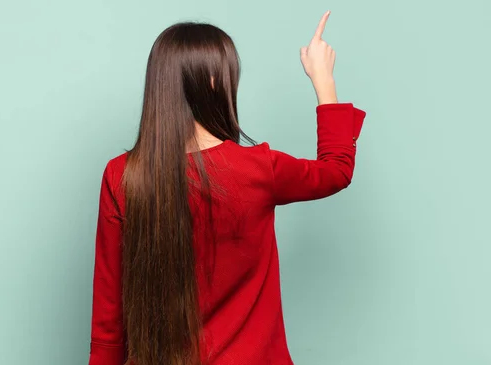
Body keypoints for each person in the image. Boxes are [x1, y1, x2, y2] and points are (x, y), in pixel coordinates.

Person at [89, 10, 366, 365]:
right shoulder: (258, 169)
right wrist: (323, 78)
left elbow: (108, 324)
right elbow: (336, 170)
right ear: (215, 82)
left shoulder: (122, 176)